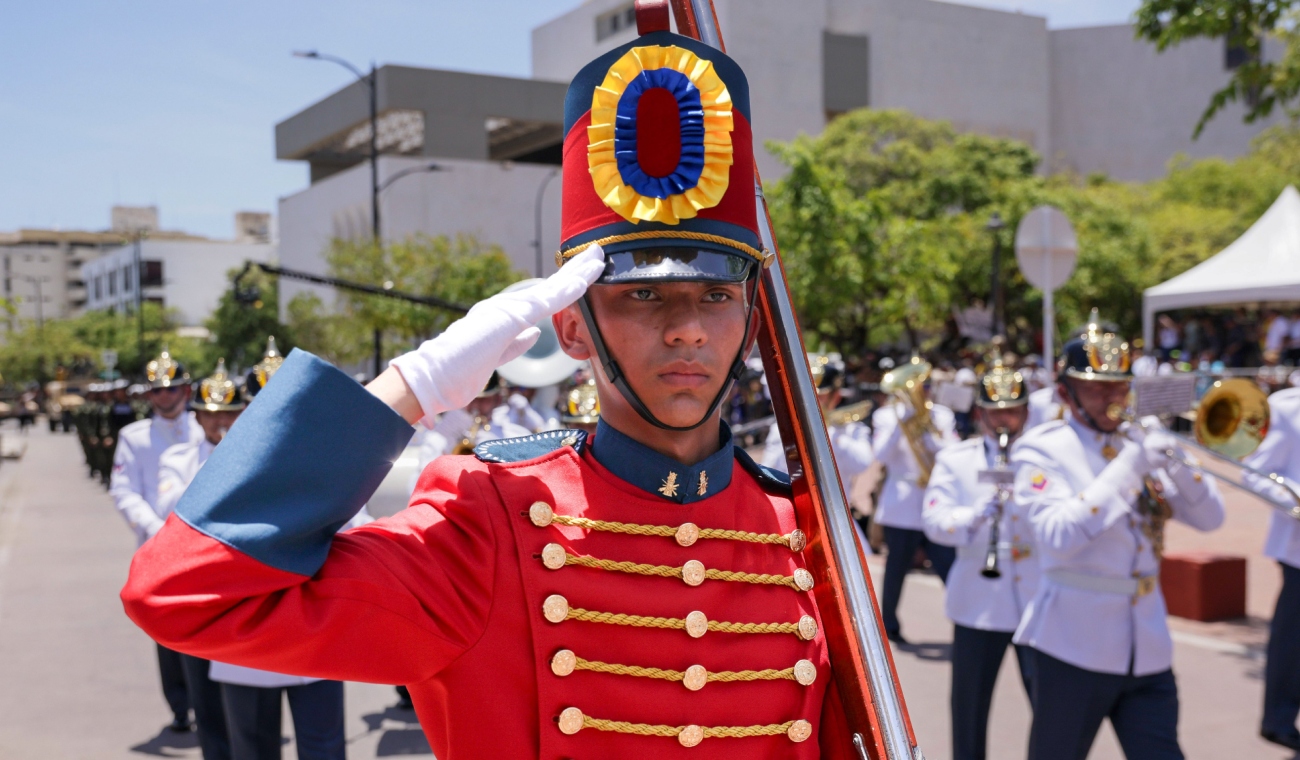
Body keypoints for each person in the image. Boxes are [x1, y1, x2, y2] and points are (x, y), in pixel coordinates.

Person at [123, 21, 853, 757]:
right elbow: (187, 593)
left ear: (752, 316)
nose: (688, 328)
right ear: (571, 331)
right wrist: (414, 382)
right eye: (642, 298)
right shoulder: (493, 526)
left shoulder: (800, 524)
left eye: (716, 296)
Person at [1011, 310, 1224, 760]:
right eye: (1095, 385)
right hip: (1073, 645)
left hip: (1147, 646)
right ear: (1067, 393)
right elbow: (1056, 536)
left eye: (1120, 383)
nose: (1112, 395)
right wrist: (1130, 466)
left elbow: (1211, 520)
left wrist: (1177, 464)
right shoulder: (1042, 449)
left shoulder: (1139, 441)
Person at [158, 357, 365, 760]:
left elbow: (359, 526)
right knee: (252, 747)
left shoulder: (324, 458)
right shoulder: (206, 461)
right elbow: (177, 520)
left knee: (324, 747)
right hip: (245, 631)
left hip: (312, 624)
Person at [923, 358, 1038, 760]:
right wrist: (973, 516)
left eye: (1013, 410)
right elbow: (934, 521)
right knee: (969, 710)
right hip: (979, 601)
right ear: (980, 414)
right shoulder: (957, 459)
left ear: (1026, 411)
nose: (1004, 419)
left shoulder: (1045, 457)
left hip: (1038, 600)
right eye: (995, 412)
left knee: (1053, 712)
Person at [108, 349, 203, 735]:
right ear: (148, 396)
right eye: (157, 391)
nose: (165, 396)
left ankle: (210, 701)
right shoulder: (134, 437)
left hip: (203, 543)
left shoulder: (206, 427)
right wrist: (152, 527)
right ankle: (180, 705)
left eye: (172, 388)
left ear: (187, 389)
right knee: (167, 630)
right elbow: (124, 490)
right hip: (159, 543)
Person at [872, 354, 959, 643]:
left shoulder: (942, 415)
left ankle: (964, 620)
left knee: (949, 565)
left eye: (924, 386)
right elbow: (880, 455)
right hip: (902, 500)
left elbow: (954, 453)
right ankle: (889, 627)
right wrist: (901, 424)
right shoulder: (886, 415)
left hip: (935, 499)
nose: (922, 392)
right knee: (896, 568)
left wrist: (934, 439)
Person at [1242, 386, 1300, 750]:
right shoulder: (1289, 408)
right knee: (1293, 635)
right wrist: (1295, 500)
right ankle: (1277, 717)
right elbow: (1255, 471)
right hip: (1299, 546)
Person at [762, 352, 875, 484]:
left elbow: (863, 464)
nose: (813, 402)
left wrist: (828, 433)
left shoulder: (851, 428)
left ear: (836, 396)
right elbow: (768, 472)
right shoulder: (780, 429)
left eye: (820, 396)